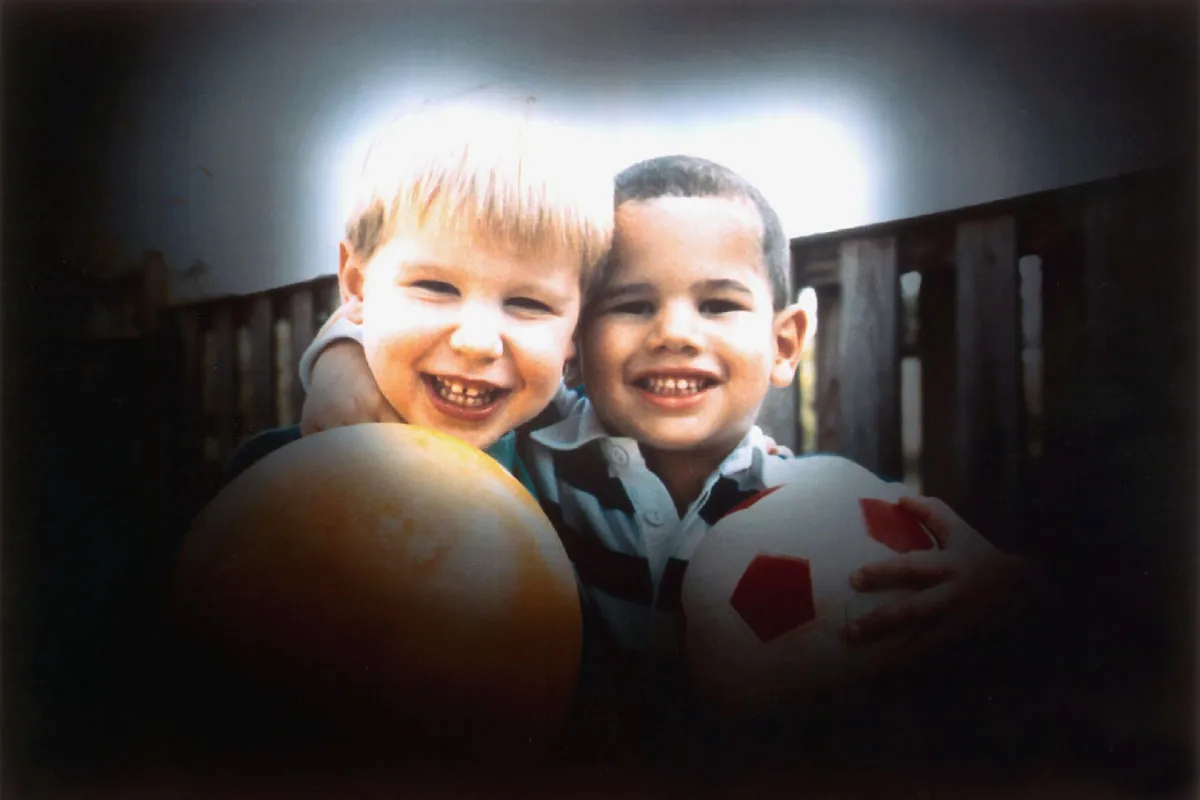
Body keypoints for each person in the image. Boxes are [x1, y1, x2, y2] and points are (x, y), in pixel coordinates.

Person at [298, 155, 1045, 759]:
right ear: (574, 342)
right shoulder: (526, 448)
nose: (675, 333)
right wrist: (340, 353)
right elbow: (391, 329)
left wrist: (1006, 591)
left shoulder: (826, 514)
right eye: (631, 305)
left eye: (718, 305)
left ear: (785, 343)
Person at [213, 98, 613, 495]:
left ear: (576, 332)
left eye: (529, 304)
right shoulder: (272, 481)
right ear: (356, 284)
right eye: (435, 287)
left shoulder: (580, 494)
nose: (477, 342)